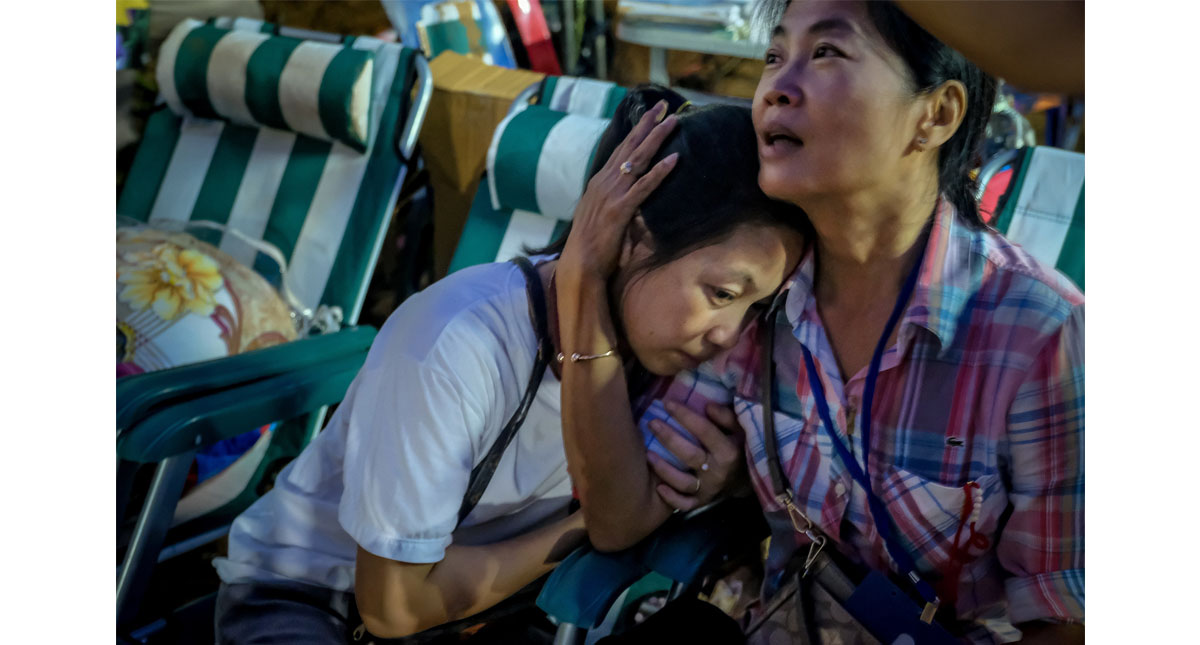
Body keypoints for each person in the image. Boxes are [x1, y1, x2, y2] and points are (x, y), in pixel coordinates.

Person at [555, 1, 1083, 643]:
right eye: (774, 56)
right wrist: (581, 278)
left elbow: (1066, 620)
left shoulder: (1039, 339)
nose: (776, 87)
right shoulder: (749, 297)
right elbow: (621, 517)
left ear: (935, 115)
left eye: (827, 53)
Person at [211, 86, 809, 644]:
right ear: (633, 236)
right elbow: (392, 606)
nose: (731, 336)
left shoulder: (671, 351)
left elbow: (644, 510)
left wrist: (721, 482)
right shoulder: (455, 346)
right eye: (723, 294)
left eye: (759, 307)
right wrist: (591, 530)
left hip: (490, 609)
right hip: (313, 597)